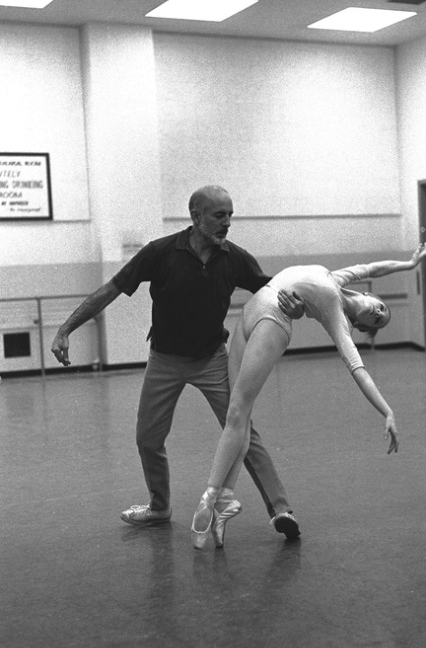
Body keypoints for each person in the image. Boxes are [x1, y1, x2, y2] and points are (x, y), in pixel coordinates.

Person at [51, 186, 304, 539]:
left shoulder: (234, 258)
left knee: (242, 429)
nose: (227, 223)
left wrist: (295, 305)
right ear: (196, 216)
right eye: (219, 215)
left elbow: (273, 291)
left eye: (231, 215)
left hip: (212, 359)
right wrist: (66, 329)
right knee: (147, 438)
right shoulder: (161, 252)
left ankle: (280, 510)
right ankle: (159, 507)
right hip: (165, 360)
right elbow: (110, 289)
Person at [191, 243, 426, 550]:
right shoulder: (338, 277)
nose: (378, 312)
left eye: (377, 321)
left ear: (359, 325)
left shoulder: (337, 317)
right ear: (372, 296)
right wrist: (408, 264)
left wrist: (387, 411)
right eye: (382, 308)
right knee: (238, 417)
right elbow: (372, 268)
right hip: (252, 309)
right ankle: (225, 499)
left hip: (273, 322)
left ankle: (210, 496)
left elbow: (357, 368)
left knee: (238, 412)